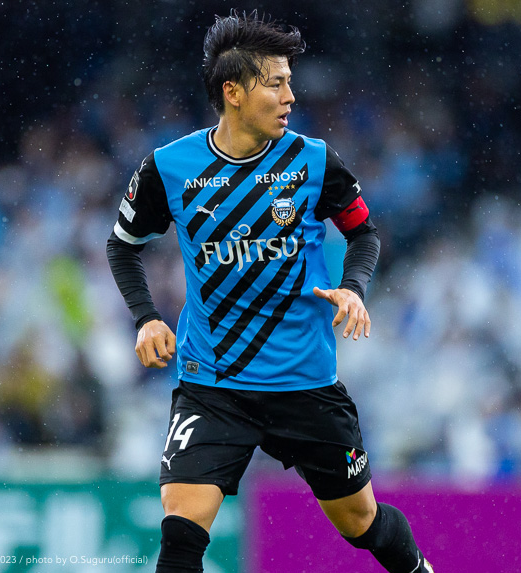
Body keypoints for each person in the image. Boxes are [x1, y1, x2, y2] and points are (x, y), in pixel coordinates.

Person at [106, 11, 434, 573]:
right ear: (233, 92)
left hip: (304, 383)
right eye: (276, 84)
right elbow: (122, 246)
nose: (290, 96)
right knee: (181, 529)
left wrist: (353, 288)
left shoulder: (314, 161)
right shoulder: (169, 167)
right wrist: (146, 317)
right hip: (213, 385)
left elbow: (364, 234)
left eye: (289, 82)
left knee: (361, 523)